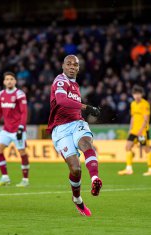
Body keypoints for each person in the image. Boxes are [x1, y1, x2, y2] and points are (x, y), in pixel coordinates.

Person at [47, 55, 102, 216]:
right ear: (63, 66)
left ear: (78, 68)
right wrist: (87, 107)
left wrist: (83, 110)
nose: (72, 67)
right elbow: (62, 101)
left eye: (75, 65)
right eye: (69, 64)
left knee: (86, 144)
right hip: (60, 129)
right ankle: (77, 199)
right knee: (76, 169)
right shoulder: (60, 81)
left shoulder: (75, 85)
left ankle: (94, 179)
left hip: (77, 123)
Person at [0, 72, 30, 187]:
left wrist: (21, 128)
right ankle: (5, 178)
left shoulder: (19, 94)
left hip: (18, 129)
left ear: (15, 81)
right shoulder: (1, 94)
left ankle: (25, 180)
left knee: (22, 152)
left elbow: (24, 112)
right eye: (7, 79)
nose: (9, 81)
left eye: (11, 79)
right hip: (6, 129)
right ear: (4, 82)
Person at [118, 85, 151, 176]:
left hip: (142, 132)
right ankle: (129, 169)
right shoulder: (133, 104)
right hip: (134, 131)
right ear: (133, 95)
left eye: (138, 94)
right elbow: (133, 117)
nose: (136, 96)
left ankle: (150, 169)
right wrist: (130, 129)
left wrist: (141, 130)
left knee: (146, 149)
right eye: (135, 94)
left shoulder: (145, 104)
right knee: (128, 147)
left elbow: (146, 119)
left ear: (142, 94)